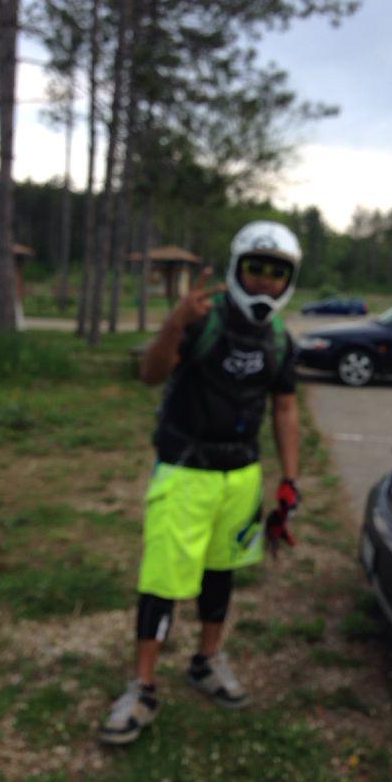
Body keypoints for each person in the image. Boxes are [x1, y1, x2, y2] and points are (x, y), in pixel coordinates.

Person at [99, 220, 302, 745]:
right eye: (256, 267)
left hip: (241, 477)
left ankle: (207, 661)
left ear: (289, 280)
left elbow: (284, 408)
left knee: (221, 572)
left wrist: (289, 481)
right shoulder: (201, 320)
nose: (265, 280)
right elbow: (150, 374)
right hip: (185, 472)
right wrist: (174, 324)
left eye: (277, 272)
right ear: (237, 267)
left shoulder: (280, 339)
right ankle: (142, 687)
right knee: (163, 581)